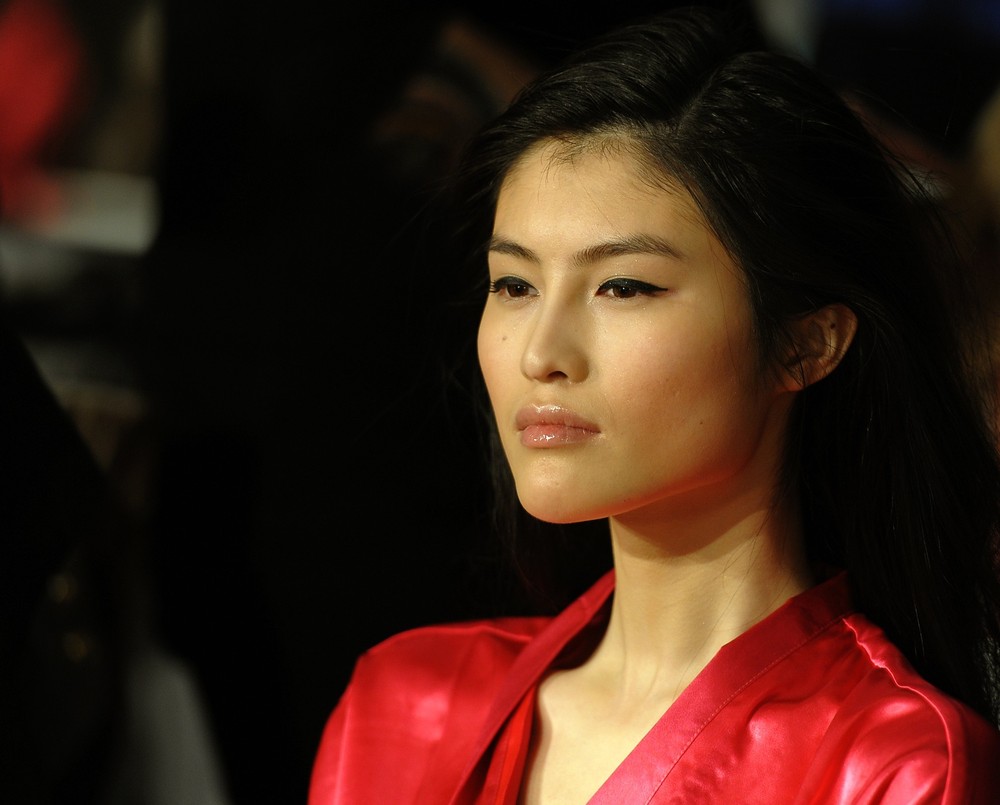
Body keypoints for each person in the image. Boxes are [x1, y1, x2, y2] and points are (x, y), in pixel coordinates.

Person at [307, 5, 1000, 802]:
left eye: (623, 286)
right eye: (515, 285)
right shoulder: (402, 706)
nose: (540, 353)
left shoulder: (892, 762)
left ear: (805, 344)